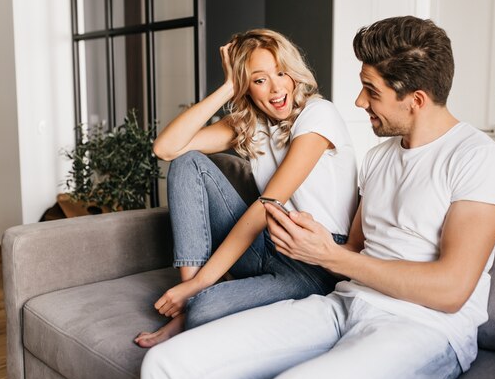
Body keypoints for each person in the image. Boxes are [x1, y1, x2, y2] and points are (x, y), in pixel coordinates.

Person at [140, 16, 495, 379]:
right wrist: (314, 249)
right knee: (165, 363)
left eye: (371, 91)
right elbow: (354, 251)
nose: (358, 101)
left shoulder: (477, 158)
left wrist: (327, 254)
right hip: (342, 305)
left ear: (416, 100)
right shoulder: (380, 157)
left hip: (422, 325)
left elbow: (451, 291)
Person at [134, 28, 358, 347]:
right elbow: (166, 149)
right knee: (188, 162)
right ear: (247, 87)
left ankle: (196, 299)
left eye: (281, 72)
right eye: (259, 79)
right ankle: (188, 299)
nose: (276, 87)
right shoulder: (252, 126)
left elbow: (268, 204)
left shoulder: (319, 115)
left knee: (205, 311)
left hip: (311, 262)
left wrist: (203, 287)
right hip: (265, 245)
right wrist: (227, 88)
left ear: (294, 72)